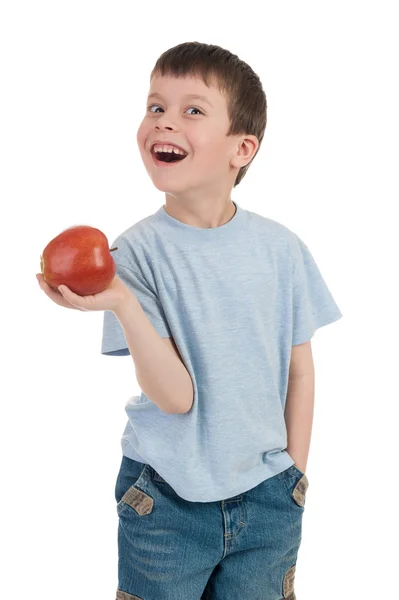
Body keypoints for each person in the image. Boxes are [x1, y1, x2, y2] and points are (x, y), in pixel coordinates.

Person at [37, 41, 343, 600]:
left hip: (269, 494)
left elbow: (300, 370)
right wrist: (124, 305)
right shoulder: (130, 257)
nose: (164, 122)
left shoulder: (282, 249)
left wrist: (295, 476)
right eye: (156, 107)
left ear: (241, 149)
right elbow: (176, 398)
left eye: (191, 110)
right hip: (165, 502)